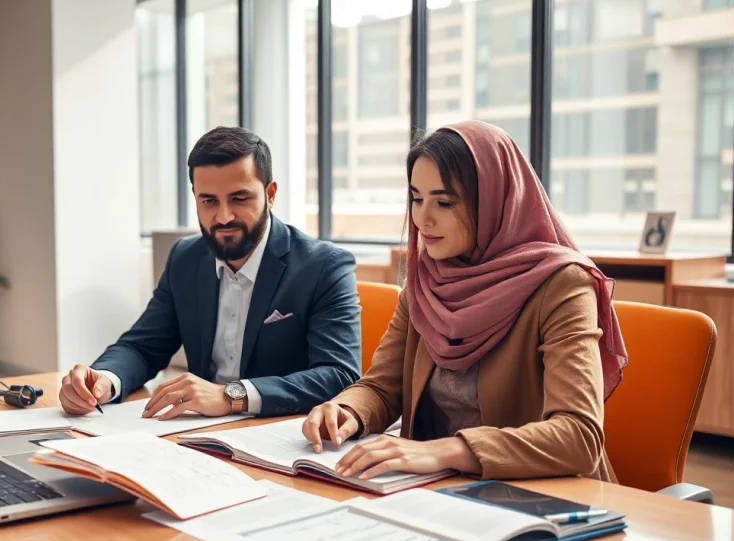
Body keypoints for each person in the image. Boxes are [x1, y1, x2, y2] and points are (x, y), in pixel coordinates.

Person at [302, 120, 628, 482]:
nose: (423, 218)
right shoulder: (426, 278)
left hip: (546, 495)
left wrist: (442, 451)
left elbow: (578, 437)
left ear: (491, 200)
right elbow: (382, 386)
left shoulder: (563, 284)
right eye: (416, 198)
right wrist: (346, 410)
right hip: (440, 488)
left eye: (444, 202)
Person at [60, 127, 362, 419]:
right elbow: (143, 346)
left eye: (239, 199)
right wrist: (102, 380)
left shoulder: (324, 266)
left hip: (282, 435)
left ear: (270, 194)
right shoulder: (185, 257)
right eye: (209, 201)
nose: (223, 216)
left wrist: (232, 395)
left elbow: (339, 374)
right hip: (197, 433)